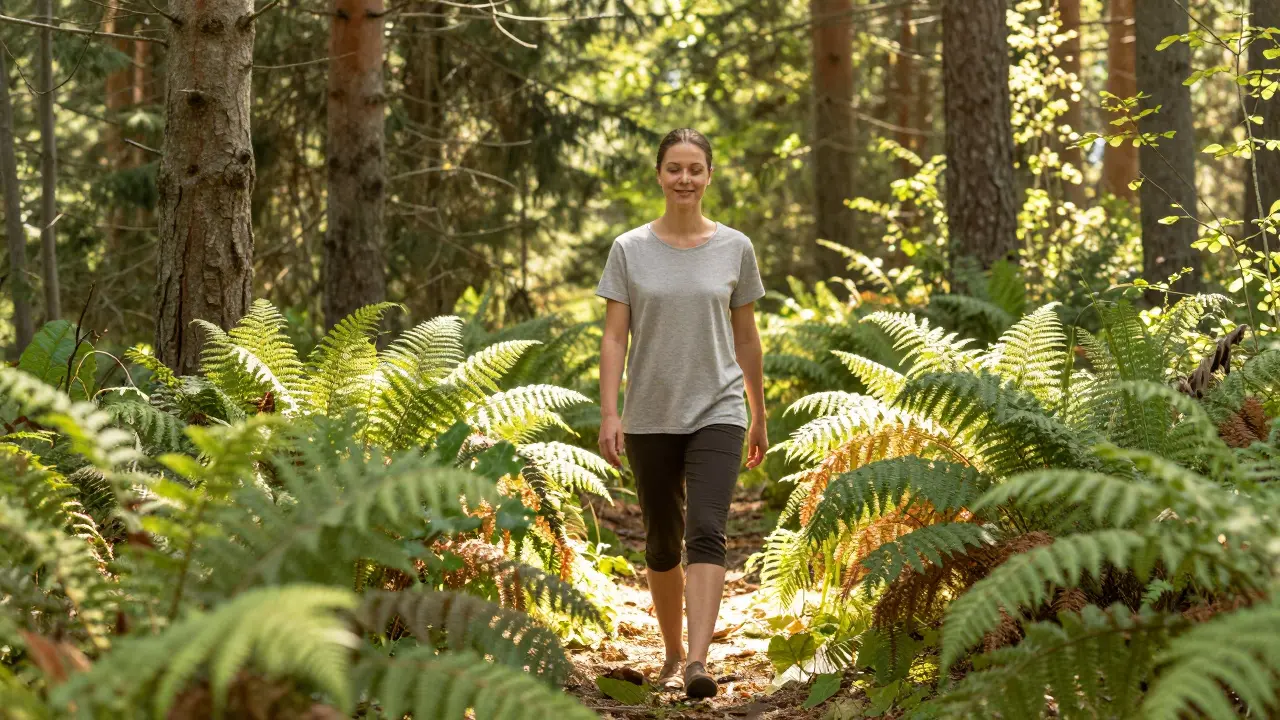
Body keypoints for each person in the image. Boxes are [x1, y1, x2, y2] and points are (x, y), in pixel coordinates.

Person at [595, 128, 768, 699]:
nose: (685, 179)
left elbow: (747, 339)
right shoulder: (629, 249)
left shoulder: (735, 247)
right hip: (649, 413)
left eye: (695, 168)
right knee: (663, 542)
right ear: (660, 175)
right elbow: (615, 338)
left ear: (709, 175)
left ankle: (697, 662)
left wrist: (758, 412)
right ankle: (671, 651)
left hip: (719, 407)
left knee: (707, 531)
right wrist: (610, 412)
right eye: (674, 168)